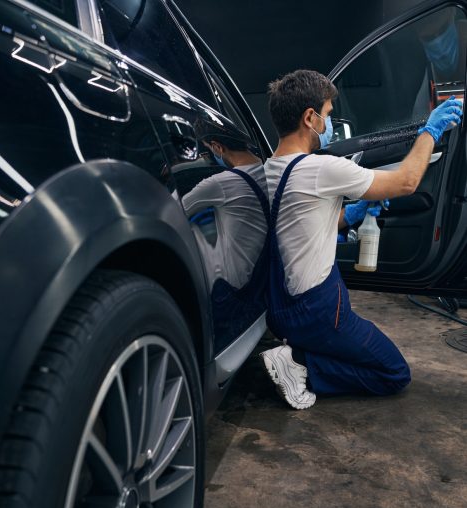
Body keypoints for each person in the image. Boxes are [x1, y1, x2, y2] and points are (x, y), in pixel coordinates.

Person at [260, 69, 463, 410]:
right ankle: (300, 364)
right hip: (319, 314)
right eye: (326, 115)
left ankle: (298, 353)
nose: (328, 125)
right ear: (309, 118)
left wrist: (351, 215)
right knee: (394, 372)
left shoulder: (269, 170)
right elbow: (406, 182)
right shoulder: (320, 169)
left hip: (281, 311)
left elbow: (304, 222)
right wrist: (431, 129)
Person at [181, 121, 269, 350]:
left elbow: (177, 211)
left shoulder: (222, 183)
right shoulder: (273, 170)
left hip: (233, 293)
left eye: (207, 150)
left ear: (218, 148)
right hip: (265, 284)